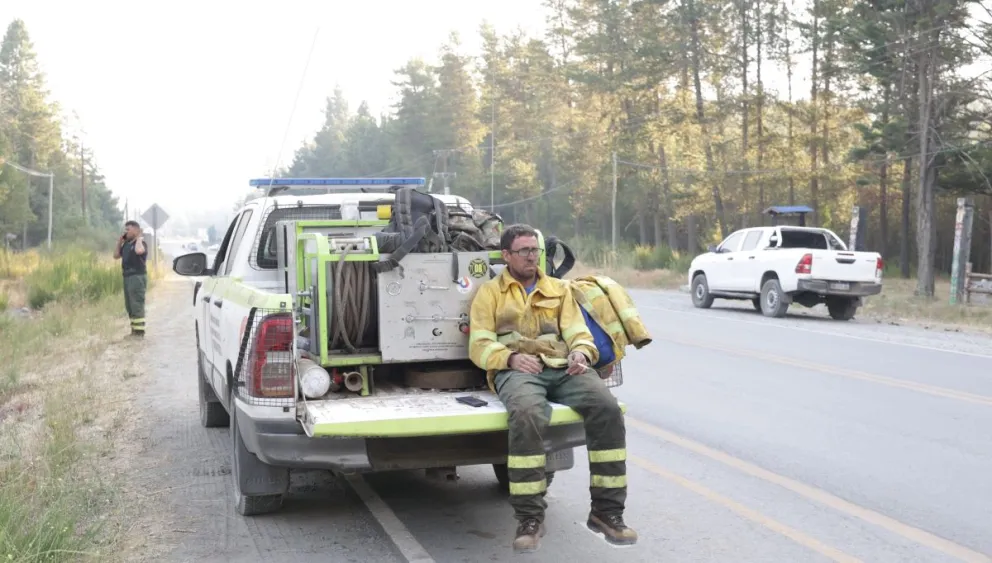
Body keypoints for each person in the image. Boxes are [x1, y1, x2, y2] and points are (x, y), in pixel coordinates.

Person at [468, 224, 636, 554]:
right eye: (524, 251)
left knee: (607, 408)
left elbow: (578, 332)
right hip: (518, 369)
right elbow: (478, 343)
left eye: (536, 251)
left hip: (563, 367)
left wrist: (580, 353)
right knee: (527, 414)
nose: (532, 257)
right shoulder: (490, 293)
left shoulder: (559, 289)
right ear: (506, 256)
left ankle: (607, 513)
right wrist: (511, 358)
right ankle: (530, 519)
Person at [113, 220, 147, 337]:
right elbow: (116, 256)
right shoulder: (126, 244)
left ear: (136, 230)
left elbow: (139, 251)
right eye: (125, 229)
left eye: (129, 229)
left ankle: (139, 333)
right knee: (130, 305)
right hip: (127, 277)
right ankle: (134, 331)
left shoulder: (141, 243)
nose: (126, 231)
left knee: (136, 304)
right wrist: (119, 242)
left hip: (137, 277)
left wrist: (138, 238)